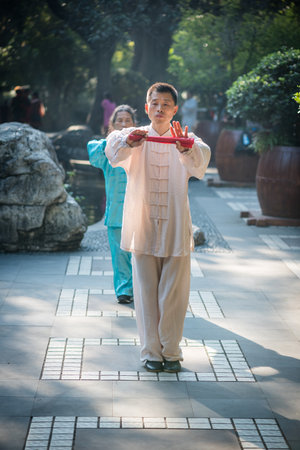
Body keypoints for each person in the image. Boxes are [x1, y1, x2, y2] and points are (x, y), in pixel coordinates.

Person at [105, 82, 210, 373]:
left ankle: (172, 351)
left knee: (174, 293)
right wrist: (128, 141)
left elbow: (201, 160)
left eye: (166, 103)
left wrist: (186, 149)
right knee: (145, 290)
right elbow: (112, 150)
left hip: (176, 225)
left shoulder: (186, 139)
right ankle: (151, 352)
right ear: (147, 106)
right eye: (155, 102)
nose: (160, 108)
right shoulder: (134, 137)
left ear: (175, 109)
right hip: (144, 225)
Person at [87, 105, 136, 304]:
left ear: (134, 124)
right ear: (112, 125)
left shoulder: (142, 147)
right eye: (119, 121)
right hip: (117, 212)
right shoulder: (108, 148)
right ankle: (124, 290)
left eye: (127, 121)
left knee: (142, 255)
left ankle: (143, 289)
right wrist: (114, 139)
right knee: (120, 255)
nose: (123, 124)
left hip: (140, 211)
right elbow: (94, 155)